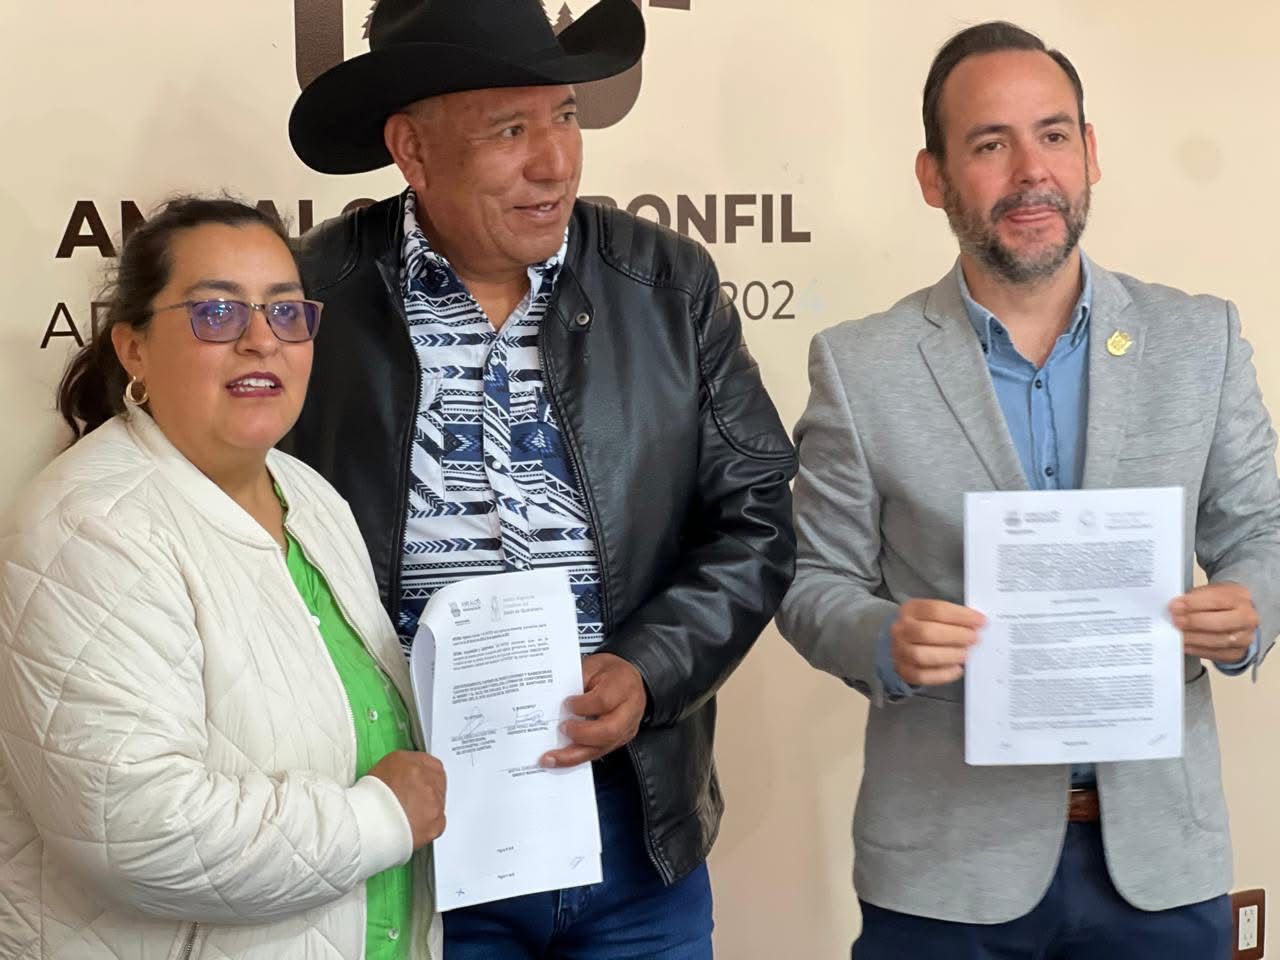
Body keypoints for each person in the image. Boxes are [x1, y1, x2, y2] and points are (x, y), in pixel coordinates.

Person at [282, 0, 797, 955]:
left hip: (631, 832)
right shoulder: (310, 301)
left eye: (564, 116)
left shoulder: (667, 286)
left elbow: (755, 517)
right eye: (510, 130)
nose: (556, 161)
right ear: (412, 149)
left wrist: (648, 667)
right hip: (408, 838)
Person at [777, 20, 1280, 960]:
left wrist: (1253, 604)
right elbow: (811, 584)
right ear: (933, 177)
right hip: (945, 868)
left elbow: (1264, 529)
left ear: (1090, 154)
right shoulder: (861, 366)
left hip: (1160, 862)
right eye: (988, 145)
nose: (1030, 172)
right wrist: (883, 637)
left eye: (1053, 135)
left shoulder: (1199, 339)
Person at [0, 198, 446, 960]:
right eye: (216, 313)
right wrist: (383, 819)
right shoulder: (89, 526)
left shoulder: (309, 496)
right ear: (134, 348)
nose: (261, 340)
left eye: (286, 312)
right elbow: (138, 829)